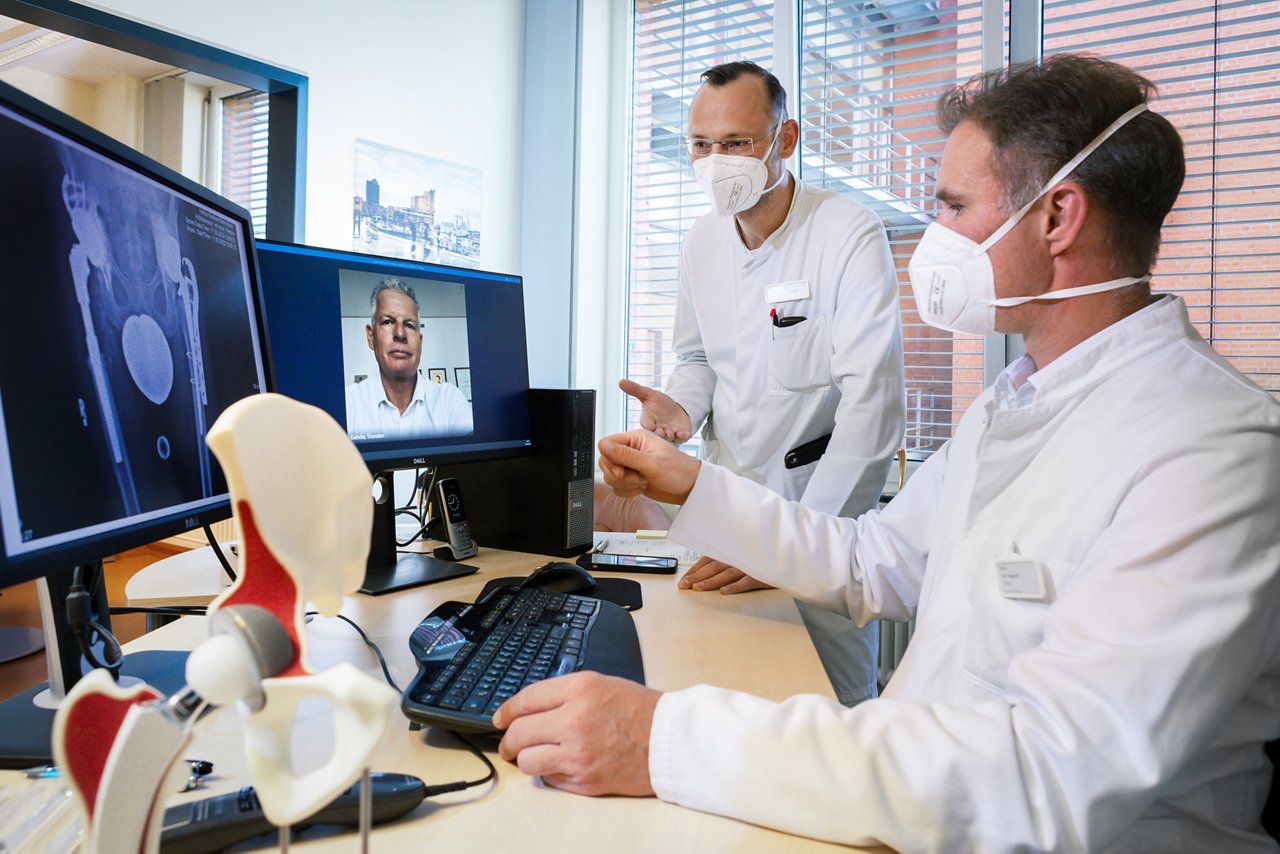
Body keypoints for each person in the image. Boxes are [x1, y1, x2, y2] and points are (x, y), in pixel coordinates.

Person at [494, 54, 1280, 851]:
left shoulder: (1209, 449)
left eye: (955, 207)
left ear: (1058, 218)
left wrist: (663, 738)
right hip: (916, 808)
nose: (934, 237)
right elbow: (874, 561)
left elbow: (1048, 774)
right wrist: (691, 486)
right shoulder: (1016, 403)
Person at [621, 60, 905, 707]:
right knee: (714, 694)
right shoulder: (700, 242)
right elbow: (697, 359)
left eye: (737, 143)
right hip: (723, 521)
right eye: (701, 145)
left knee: (832, 713)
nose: (716, 161)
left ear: (786, 139)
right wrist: (680, 409)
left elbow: (874, 407)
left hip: (819, 521)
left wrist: (791, 547)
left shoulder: (845, 232)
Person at [344, 278, 472, 440]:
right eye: (388, 321)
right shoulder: (348, 404)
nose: (400, 334)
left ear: (420, 341)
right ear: (371, 337)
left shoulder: (450, 400)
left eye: (409, 325)